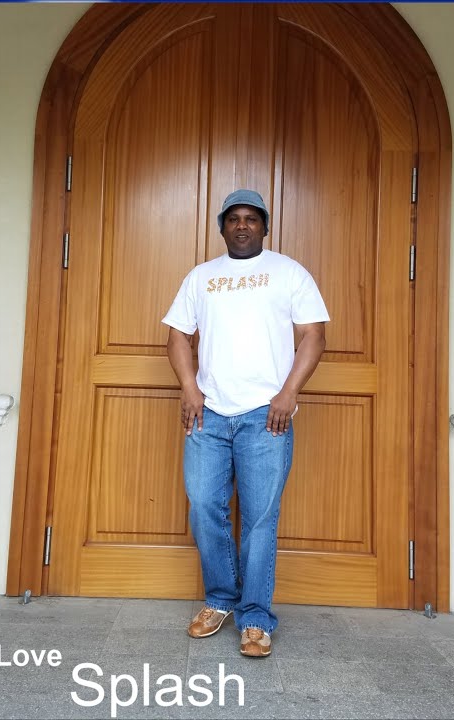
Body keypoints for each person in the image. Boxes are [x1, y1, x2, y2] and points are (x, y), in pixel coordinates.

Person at [161, 189, 329, 658]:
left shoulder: (288, 272)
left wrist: (288, 393)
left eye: (251, 219)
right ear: (222, 228)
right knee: (203, 507)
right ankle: (220, 599)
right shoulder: (201, 277)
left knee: (259, 519)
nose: (242, 225)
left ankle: (255, 618)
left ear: (265, 227)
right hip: (209, 413)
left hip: (266, 415)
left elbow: (314, 336)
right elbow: (176, 336)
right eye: (233, 218)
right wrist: (189, 388)